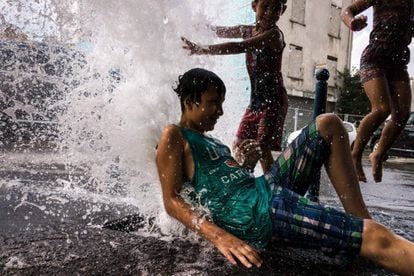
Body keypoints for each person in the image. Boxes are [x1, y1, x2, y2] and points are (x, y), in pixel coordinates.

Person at [156, 68, 414, 274]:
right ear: (190, 101)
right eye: (213, 103)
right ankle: (370, 240)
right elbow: (172, 201)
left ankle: (360, 221)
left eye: (221, 103)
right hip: (258, 213)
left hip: (261, 191)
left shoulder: (212, 142)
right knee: (376, 236)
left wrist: (246, 163)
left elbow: (221, 189)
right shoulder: (173, 135)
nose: (220, 112)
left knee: (328, 124)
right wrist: (221, 238)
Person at [181, 0, 288, 173]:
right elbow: (221, 31)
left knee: (261, 149)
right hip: (255, 103)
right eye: (265, 7)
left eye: (276, 8)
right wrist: (196, 25)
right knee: (239, 145)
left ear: (283, 11)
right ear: (254, 6)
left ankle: (273, 191)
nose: (270, 12)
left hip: (273, 102)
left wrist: (203, 49)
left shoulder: (274, 35)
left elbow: (239, 46)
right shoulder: (247, 30)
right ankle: (240, 180)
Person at [341, 0, 413, 183]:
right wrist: (352, 22)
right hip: (374, 58)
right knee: (382, 109)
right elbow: (347, 10)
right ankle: (355, 154)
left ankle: (378, 154)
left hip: (398, 63)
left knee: (402, 115)